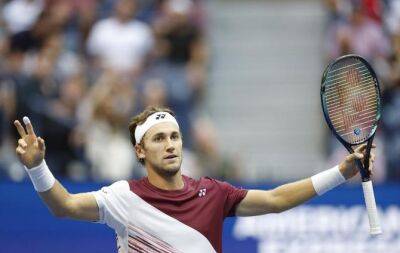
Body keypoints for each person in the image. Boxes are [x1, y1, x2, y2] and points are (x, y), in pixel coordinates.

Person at [14, 106, 375, 253]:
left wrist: (341, 173)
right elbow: (63, 206)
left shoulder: (214, 192)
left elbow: (277, 200)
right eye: (158, 139)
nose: (169, 145)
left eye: (174, 136)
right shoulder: (123, 196)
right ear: (140, 151)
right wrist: (36, 167)